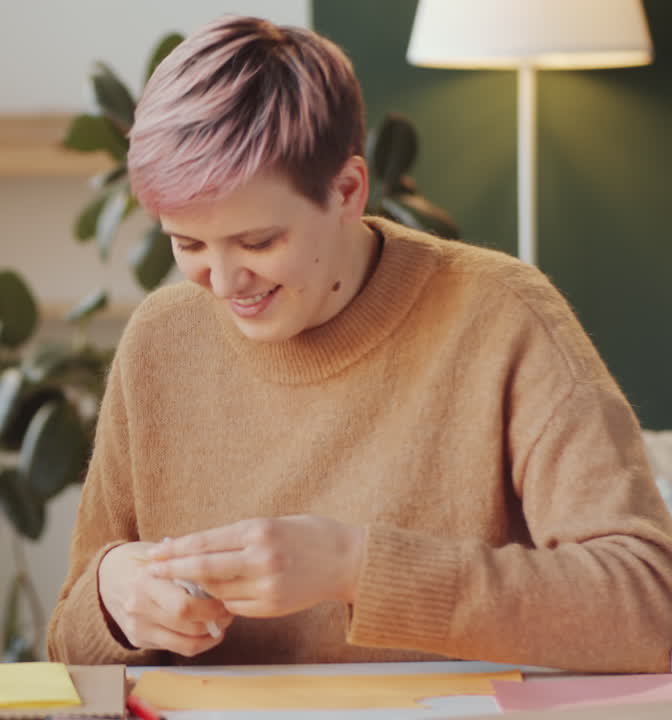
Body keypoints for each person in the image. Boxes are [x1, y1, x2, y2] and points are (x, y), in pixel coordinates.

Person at [47, 15, 672, 673]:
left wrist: (355, 567)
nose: (225, 283)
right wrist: (112, 594)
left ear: (347, 190)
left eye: (259, 242)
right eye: (189, 244)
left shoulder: (502, 316)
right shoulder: (158, 341)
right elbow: (67, 641)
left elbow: (651, 607)